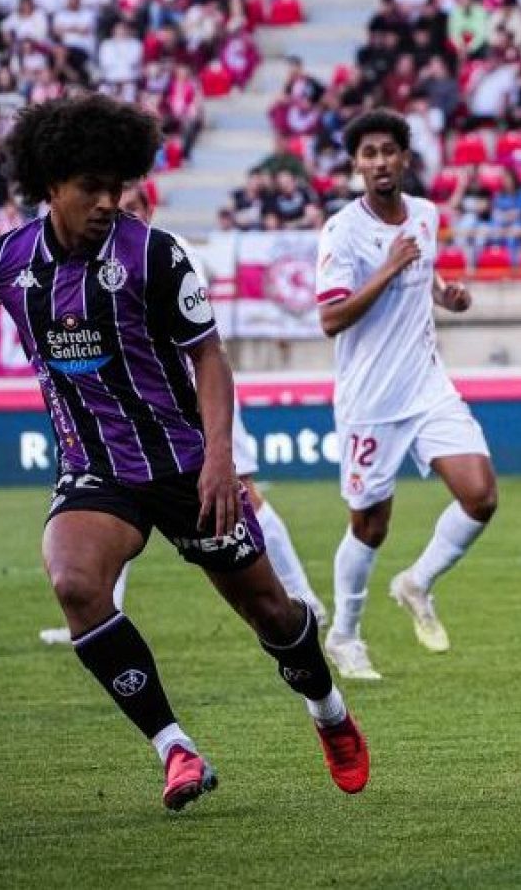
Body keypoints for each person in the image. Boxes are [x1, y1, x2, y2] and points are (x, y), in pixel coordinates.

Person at [0, 94, 368, 812]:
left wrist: (220, 456)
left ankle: (330, 713)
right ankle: (175, 748)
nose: (105, 201)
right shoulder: (5, 261)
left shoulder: (154, 255)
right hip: (96, 471)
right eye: (89, 186)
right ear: (50, 185)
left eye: (115, 186)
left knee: (274, 616)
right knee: (73, 585)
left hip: (187, 468)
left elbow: (208, 357)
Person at [37, 182, 328, 645]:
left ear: (148, 209)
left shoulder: (169, 253)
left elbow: (200, 344)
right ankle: (101, 605)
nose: (119, 215)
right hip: (145, 410)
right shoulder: (101, 258)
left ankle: (303, 598)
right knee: (120, 498)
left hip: (198, 399)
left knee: (243, 494)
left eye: (131, 208)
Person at [316, 109, 498, 681]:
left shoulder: (424, 214)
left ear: (404, 159)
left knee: (481, 496)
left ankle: (416, 582)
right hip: (370, 401)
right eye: (367, 154)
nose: (378, 163)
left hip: (427, 387)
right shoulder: (342, 232)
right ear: (356, 166)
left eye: (387, 151)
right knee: (370, 526)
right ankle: (345, 635)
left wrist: (448, 295)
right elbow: (330, 317)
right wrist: (388, 269)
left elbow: (427, 275)